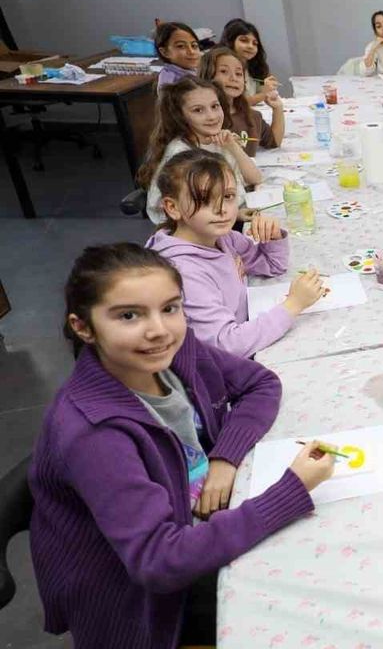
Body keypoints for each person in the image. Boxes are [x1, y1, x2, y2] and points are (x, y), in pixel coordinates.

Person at [28, 242, 334, 648]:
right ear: (83, 327)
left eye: (170, 308)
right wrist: (288, 493)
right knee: (311, 599)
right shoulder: (94, 433)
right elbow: (159, 560)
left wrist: (225, 457)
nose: (158, 329)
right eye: (129, 315)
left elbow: (261, 383)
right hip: (146, 603)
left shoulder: (175, 349)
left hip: (192, 522)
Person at [146, 149, 324, 357]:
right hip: (220, 367)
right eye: (204, 199)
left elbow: (272, 265)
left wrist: (273, 237)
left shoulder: (222, 238)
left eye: (228, 196)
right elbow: (227, 344)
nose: (222, 209)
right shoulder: (184, 272)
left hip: (245, 333)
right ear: (172, 207)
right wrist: (293, 305)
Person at [137, 76, 262, 225]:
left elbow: (255, 178)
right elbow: (189, 212)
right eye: (198, 110)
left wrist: (233, 146)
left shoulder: (218, 140)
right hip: (206, 228)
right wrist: (236, 216)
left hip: (229, 215)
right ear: (180, 116)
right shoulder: (182, 155)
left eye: (215, 106)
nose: (211, 116)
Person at [197, 46, 283, 157]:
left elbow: (274, 142)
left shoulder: (252, 116)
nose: (234, 78)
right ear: (207, 77)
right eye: (224, 71)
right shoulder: (203, 120)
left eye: (238, 73)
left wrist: (277, 108)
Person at [218, 18, 277, 104]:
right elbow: (234, 104)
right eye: (244, 40)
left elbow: (264, 92)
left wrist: (268, 87)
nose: (250, 46)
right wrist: (263, 94)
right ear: (230, 41)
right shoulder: (221, 66)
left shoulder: (255, 66)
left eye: (255, 43)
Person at [155, 21, 200, 91]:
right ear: (165, 52)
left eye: (194, 45)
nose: (191, 51)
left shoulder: (192, 71)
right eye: (181, 46)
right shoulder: (170, 80)